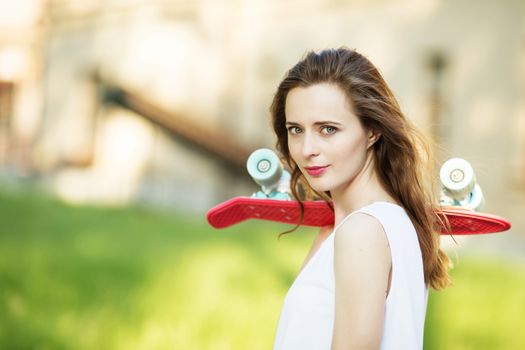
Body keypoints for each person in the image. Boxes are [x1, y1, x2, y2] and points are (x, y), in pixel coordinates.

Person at [270, 48, 452, 349]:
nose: (307, 149)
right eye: (295, 130)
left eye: (328, 129)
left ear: (372, 131)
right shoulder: (375, 223)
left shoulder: (362, 231)